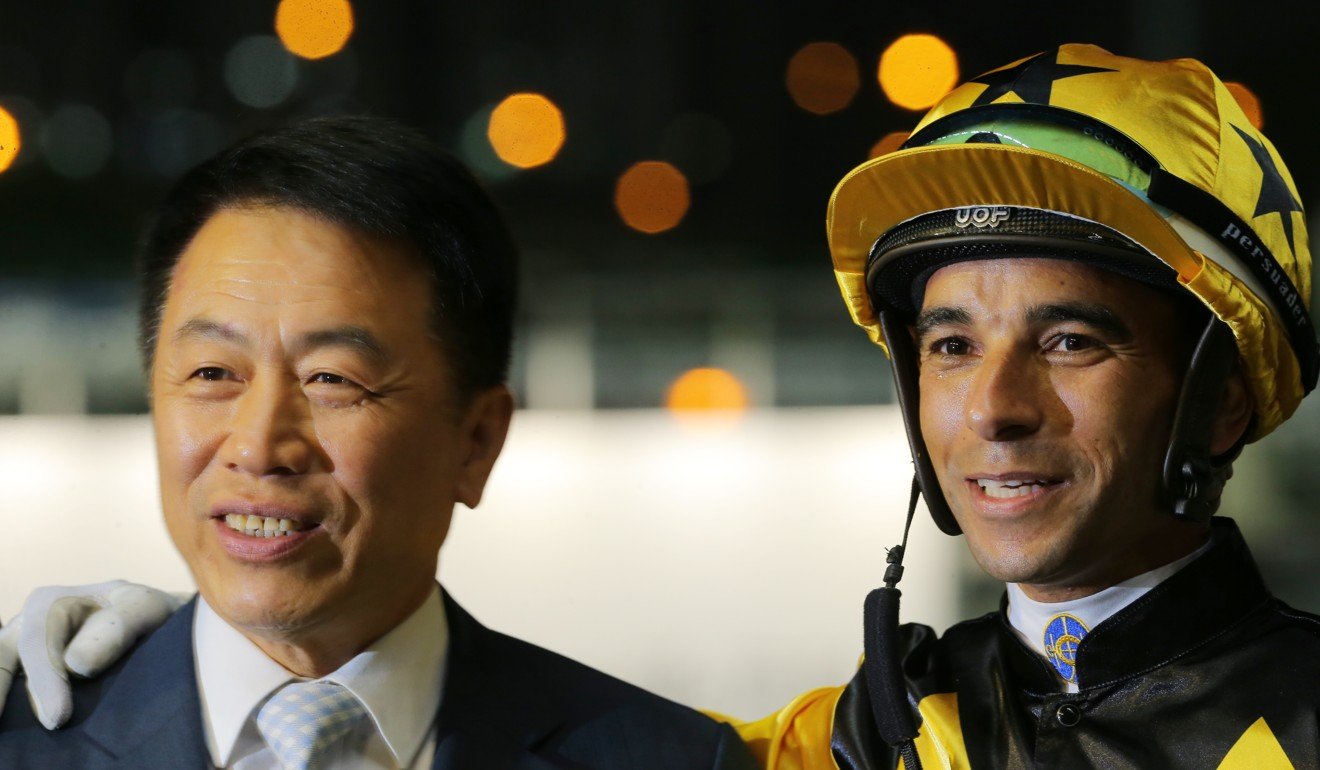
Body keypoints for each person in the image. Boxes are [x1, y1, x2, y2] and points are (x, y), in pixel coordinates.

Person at [4, 44, 1317, 769]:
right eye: (950, 343)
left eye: (1072, 339)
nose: (994, 406)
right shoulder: (850, 737)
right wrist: (181, 642)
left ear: (1218, 399)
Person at [0, 116, 756, 769]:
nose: (259, 445)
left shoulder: (671, 757)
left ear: (477, 440)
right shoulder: (21, 738)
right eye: (211, 371)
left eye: (333, 379)